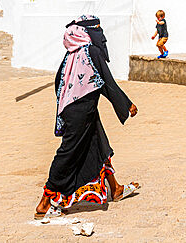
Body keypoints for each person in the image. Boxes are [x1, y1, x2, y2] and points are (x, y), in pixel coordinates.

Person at [35, 15, 140, 219]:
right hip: (82, 111)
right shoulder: (91, 52)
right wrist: (127, 105)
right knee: (68, 153)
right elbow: (106, 82)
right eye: (97, 30)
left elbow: (59, 82)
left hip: (76, 109)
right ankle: (45, 200)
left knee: (100, 144)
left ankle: (115, 188)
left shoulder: (72, 53)